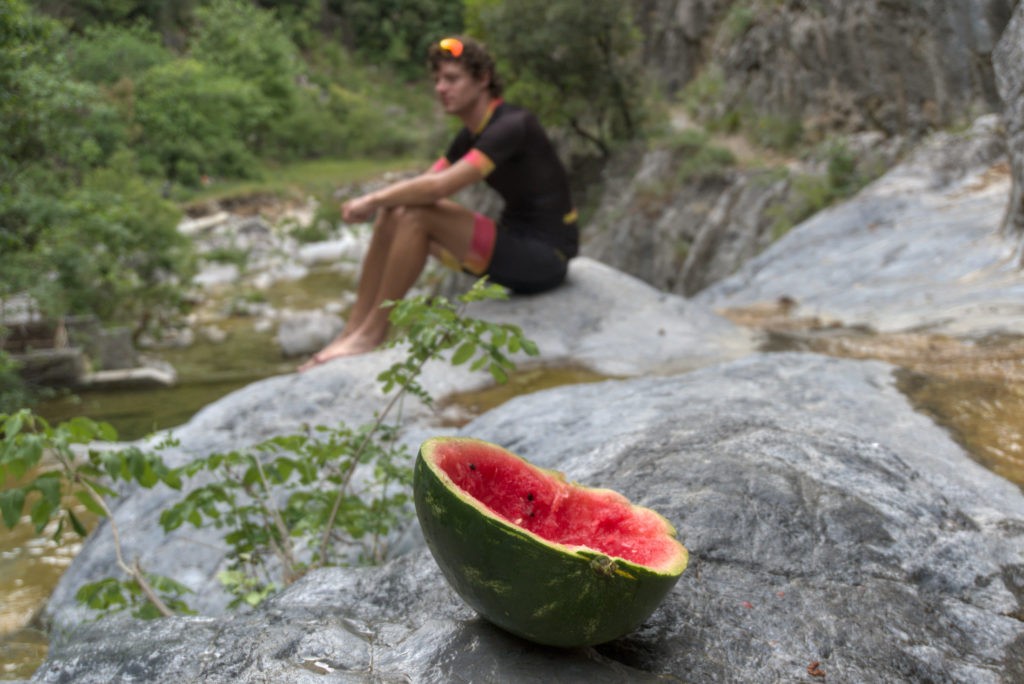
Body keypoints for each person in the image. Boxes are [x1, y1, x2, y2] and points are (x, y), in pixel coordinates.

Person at [299, 36, 578, 370]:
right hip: (515, 245)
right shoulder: (471, 133)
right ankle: (352, 330)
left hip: (546, 256)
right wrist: (384, 202)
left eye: (452, 79)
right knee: (397, 208)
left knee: (416, 214)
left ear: (483, 79)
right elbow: (420, 185)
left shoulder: (511, 125)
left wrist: (370, 199)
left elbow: (438, 188)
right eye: (437, 80)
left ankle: (373, 334)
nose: (441, 88)